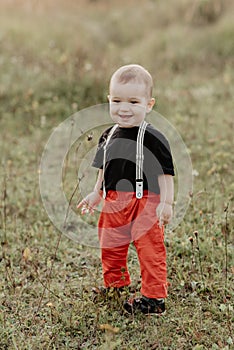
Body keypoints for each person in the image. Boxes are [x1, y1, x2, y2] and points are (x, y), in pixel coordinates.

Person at [77, 64, 174, 315]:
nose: (124, 108)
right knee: (110, 244)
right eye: (117, 100)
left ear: (148, 104)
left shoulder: (153, 138)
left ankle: (153, 299)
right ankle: (115, 285)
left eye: (133, 102)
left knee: (150, 249)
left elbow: (166, 173)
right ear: (109, 100)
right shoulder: (108, 136)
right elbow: (103, 168)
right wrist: (97, 192)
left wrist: (167, 202)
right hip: (113, 200)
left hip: (146, 201)